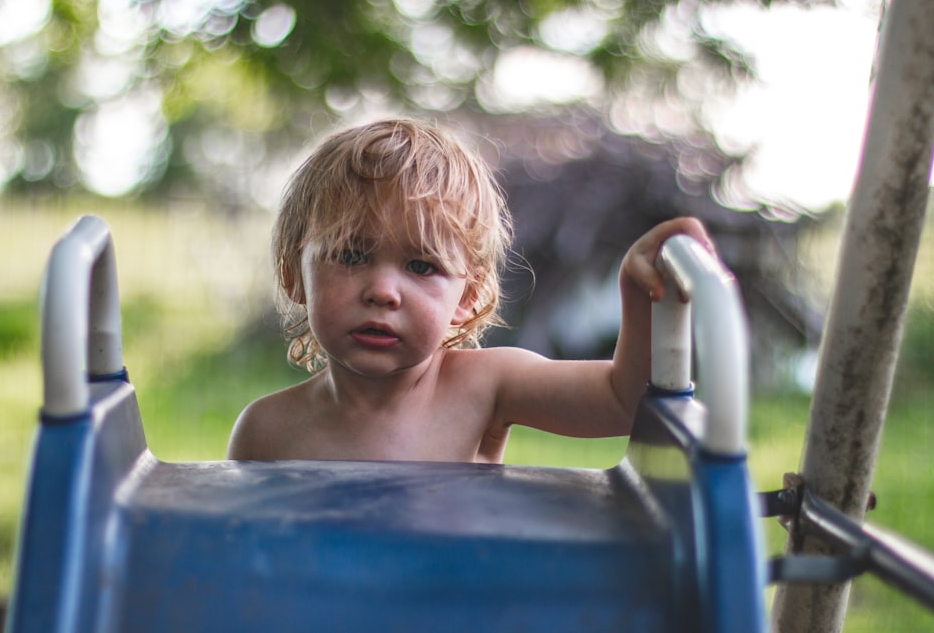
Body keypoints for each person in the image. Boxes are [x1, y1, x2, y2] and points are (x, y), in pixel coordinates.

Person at [227, 118, 714, 463]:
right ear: (294, 274)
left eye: (421, 265)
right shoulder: (266, 431)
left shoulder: (486, 388)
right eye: (351, 256)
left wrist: (640, 295)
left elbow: (624, 401)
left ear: (468, 298)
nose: (382, 291)